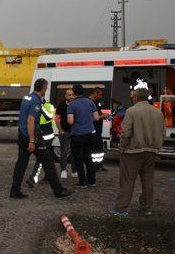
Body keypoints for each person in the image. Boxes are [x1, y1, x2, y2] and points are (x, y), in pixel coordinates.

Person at [10, 79, 74, 199]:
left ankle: (15, 190)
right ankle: (58, 190)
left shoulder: (26, 97)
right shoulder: (35, 101)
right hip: (32, 137)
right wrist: (32, 141)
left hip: (22, 135)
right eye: (46, 87)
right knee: (48, 161)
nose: (47, 90)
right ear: (44, 88)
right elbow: (30, 120)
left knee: (21, 164)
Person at [109, 88, 165, 217]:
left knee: (127, 180)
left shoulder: (131, 111)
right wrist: (157, 146)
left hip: (132, 151)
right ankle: (146, 207)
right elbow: (163, 132)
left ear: (135, 97)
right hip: (151, 151)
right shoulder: (158, 112)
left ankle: (121, 207)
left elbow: (126, 132)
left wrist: (122, 147)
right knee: (148, 180)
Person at [67, 84, 100, 189]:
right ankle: (92, 181)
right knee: (88, 158)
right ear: (83, 91)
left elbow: (70, 121)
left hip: (77, 135)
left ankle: (82, 182)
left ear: (74, 92)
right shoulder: (90, 102)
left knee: (78, 159)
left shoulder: (71, 105)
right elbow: (96, 118)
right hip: (89, 134)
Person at [55, 89, 77, 179]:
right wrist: (61, 131)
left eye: (72, 95)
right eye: (69, 95)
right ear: (65, 96)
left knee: (75, 152)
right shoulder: (61, 105)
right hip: (65, 132)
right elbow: (57, 119)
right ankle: (63, 170)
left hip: (75, 132)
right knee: (64, 152)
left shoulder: (76, 104)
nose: (71, 96)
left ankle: (74, 171)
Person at [89, 87, 110, 171]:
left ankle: (99, 165)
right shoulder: (90, 102)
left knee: (99, 148)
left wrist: (103, 115)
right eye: (99, 95)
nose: (100, 96)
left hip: (98, 130)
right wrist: (103, 116)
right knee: (94, 149)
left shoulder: (95, 102)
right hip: (93, 129)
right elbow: (91, 117)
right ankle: (93, 166)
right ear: (95, 93)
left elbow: (97, 114)